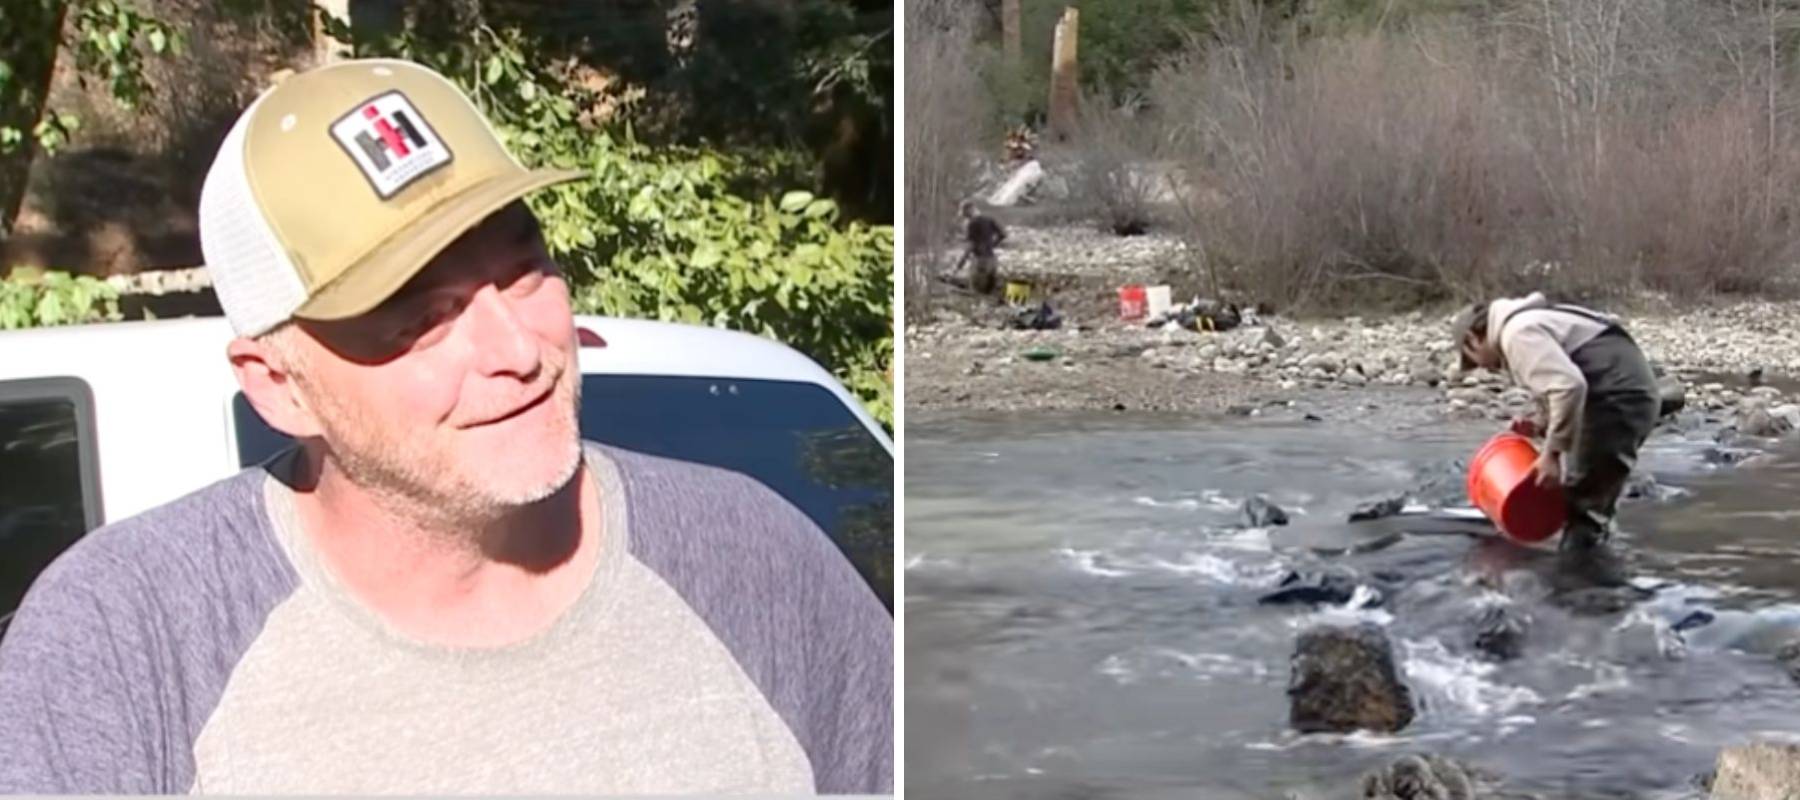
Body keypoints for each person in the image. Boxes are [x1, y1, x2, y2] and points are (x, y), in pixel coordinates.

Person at [0, 59, 891, 794]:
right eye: (420, 316)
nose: (519, 349)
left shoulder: (754, 558)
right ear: (280, 386)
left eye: (523, 269)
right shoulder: (125, 637)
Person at [1452, 292, 1659, 565]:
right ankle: (1593, 573)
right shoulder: (1527, 322)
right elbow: (1573, 379)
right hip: (1622, 394)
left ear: (1472, 340)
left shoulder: (1517, 334)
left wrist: (1551, 454)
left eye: (1472, 359)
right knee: (1591, 497)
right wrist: (1542, 424)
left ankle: (1583, 590)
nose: (1483, 368)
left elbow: (1570, 387)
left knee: (1581, 507)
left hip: (1617, 398)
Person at [956, 199, 1006, 295]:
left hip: (979, 262)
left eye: (965, 214)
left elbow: (971, 245)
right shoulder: (989, 219)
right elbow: (1003, 234)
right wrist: (992, 244)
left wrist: (961, 263)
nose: (965, 217)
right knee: (990, 294)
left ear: (969, 210)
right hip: (992, 261)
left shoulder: (972, 223)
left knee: (978, 295)